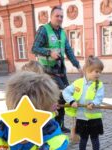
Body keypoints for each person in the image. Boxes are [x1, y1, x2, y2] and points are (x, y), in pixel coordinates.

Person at [32, 5, 83, 133]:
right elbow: (34, 48)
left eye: (61, 16)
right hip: (47, 72)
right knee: (57, 96)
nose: (59, 18)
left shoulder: (62, 32)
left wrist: (77, 65)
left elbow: (68, 50)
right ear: (51, 17)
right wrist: (49, 52)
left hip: (60, 71)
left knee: (64, 96)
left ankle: (60, 124)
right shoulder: (43, 30)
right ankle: (51, 125)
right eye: (57, 16)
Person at [63, 56, 104, 150]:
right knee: (83, 139)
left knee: (95, 139)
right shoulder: (78, 83)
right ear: (87, 70)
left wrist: (94, 103)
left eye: (100, 72)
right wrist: (71, 101)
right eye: (96, 71)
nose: (98, 74)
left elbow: (99, 97)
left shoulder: (99, 85)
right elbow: (66, 92)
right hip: (81, 117)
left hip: (94, 117)